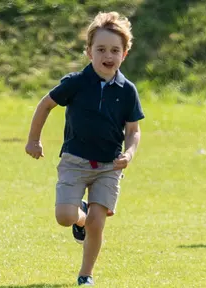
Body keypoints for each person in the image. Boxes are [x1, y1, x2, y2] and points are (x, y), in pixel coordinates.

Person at [25, 11, 144, 285]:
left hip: (109, 167)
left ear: (124, 54)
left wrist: (129, 154)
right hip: (75, 162)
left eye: (115, 50)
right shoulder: (76, 83)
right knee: (65, 216)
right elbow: (45, 105)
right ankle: (80, 219)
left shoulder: (128, 90)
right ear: (89, 52)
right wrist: (34, 139)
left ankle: (85, 275)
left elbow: (133, 131)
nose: (108, 55)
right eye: (101, 49)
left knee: (97, 223)